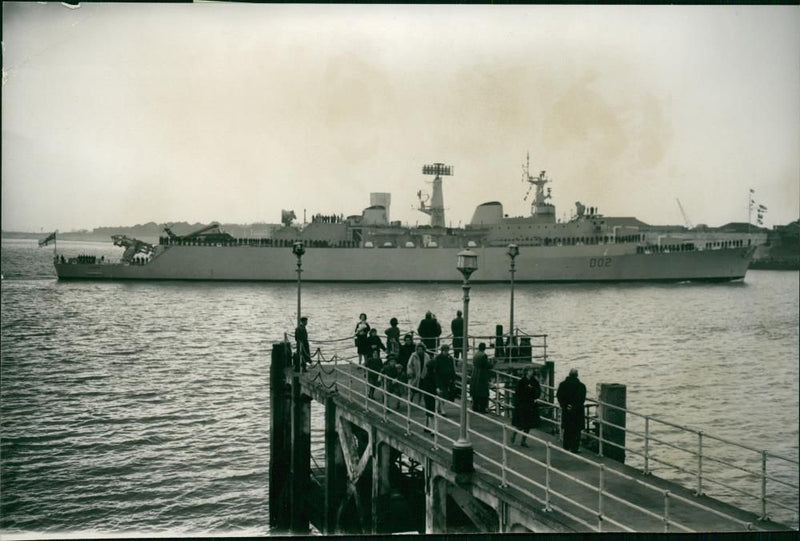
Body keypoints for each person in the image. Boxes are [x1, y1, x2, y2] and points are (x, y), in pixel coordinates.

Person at [556, 368, 587, 453]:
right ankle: (575, 448)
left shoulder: (563, 385)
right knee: (576, 430)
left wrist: (565, 405)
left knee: (567, 428)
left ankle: (566, 446)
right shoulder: (581, 386)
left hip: (566, 410)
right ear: (577, 375)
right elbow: (582, 399)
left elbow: (559, 396)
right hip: (577, 411)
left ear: (569, 374)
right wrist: (574, 406)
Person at [511, 366, 541, 447]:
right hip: (522, 405)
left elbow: (538, 391)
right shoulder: (521, 382)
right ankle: (514, 434)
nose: (532, 372)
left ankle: (523, 441)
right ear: (526, 372)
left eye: (532, 370)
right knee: (520, 424)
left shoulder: (534, 381)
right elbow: (518, 393)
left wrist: (534, 393)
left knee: (528, 425)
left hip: (531, 405)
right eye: (530, 370)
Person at [469, 342, 494, 413]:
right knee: (483, 392)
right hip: (481, 375)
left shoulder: (476, 354)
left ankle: (475, 407)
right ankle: (482, 409)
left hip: (475, 373)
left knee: (476, 392)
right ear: (484, 348)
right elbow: (487, 365)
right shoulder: (484, 355)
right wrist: (493, 363)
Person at [433, 344, 456, 416]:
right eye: (445, 351)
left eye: (447, 351)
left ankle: (438, 407)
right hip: (440, 378)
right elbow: (435, 370)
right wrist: (436, 379)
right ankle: (442, 409)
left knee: (445, 394)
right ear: (442, 351)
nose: (446, 352)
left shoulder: (450, 358)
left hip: (447, 378)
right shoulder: (438, 358)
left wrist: (453, 378)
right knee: (441, 393)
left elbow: (452, 369)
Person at [419, 346, 438, 432]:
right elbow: (433, 385)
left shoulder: (427, 376)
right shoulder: (433, 376)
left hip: (427, 393)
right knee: (431, 411)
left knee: (428, 410)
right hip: (431, 394)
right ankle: (432, 428)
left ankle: (426, 426)